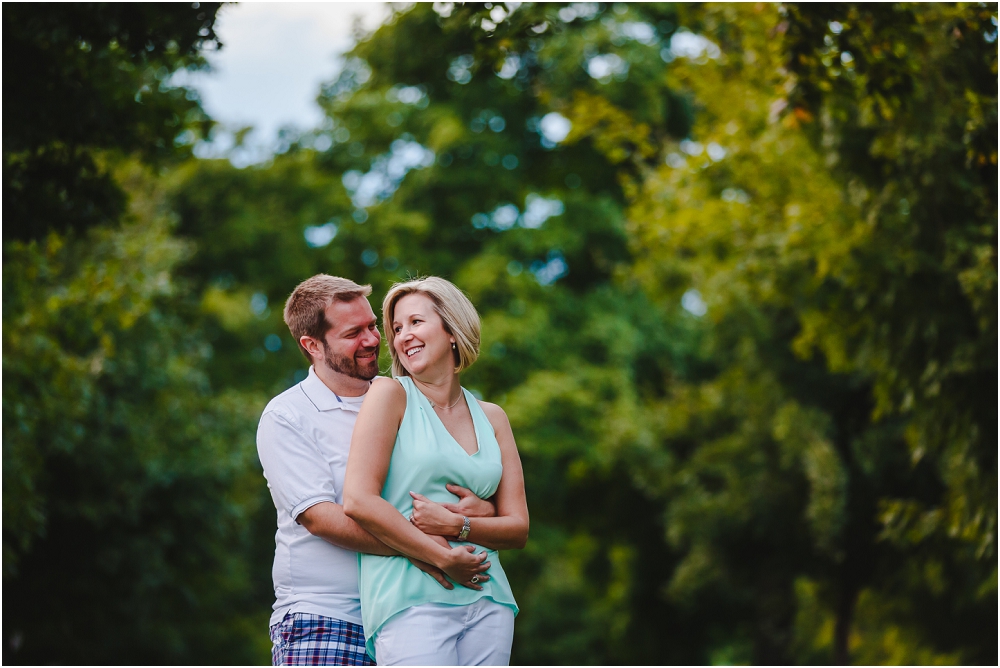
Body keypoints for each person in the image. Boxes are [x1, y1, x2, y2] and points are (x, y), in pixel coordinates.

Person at [256, 275, 495, 666]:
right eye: (353, 333)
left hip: (414, 610)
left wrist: (478, 513)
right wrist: (427, 550)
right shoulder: (287, 416)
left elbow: (458, 492)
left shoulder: (408, 400)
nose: (372, 340)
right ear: (312, 345)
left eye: (372, 326)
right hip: (328, 617)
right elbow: (321, 518)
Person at [344, 276, 529, 666]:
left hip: (489, 597)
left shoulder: (493, 417)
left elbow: (518, 528)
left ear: (451, 330)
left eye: (415, 322)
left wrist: (457, 525)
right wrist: (443, 557)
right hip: (411, 599)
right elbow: (359, 500)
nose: (402, 336)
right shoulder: (390, 394)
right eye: (396, 328)